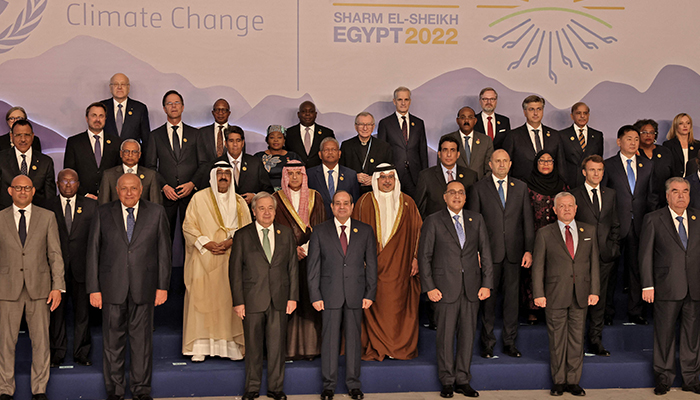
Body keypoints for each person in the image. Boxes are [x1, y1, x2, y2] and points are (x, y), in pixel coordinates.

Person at [86, 173, 172, 400]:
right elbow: (93, 252)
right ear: (117, 190)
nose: (129, 193)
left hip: (144, 288)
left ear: (141, 189)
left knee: (142, 343)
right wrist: (93, 288)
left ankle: (141, 390)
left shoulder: (156, 212)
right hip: (111, 288)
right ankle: (115, 391)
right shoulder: (103, 212)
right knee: (112, 343)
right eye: (124, 188)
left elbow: (164, 252)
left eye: (134, 188)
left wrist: (162, 286)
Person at [418, 180, 493, 399]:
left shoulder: (476, 219)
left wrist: (487, 283)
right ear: (445, 196)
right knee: (445, 337)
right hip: (444, 289)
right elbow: (424, 258)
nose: (457, 196)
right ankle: (447, 381)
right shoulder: (433, 221)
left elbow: (486, 254)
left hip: (471, 288)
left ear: (465, 197)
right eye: (452, 192)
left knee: (468, 336)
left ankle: (463, 379)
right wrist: (429, 287)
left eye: (461, 192)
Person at [307, 190, 378, 400]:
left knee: (354, 340)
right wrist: (315, 295)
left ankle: (353, 384)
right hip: (329, 295)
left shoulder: (365, 231)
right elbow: (313, 268)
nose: (342, 207)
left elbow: (372, 266)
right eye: (337, 203)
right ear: (331, 207)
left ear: (352, 206)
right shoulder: (320, 231)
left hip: (357, 294)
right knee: (329, 341)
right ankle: (329, 385)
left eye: (346, 203)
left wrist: (370, 292)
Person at [0, 174, 64, 400]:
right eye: (18, 188)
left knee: (41, 341)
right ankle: (5, 389)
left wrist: (58, 286)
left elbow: (55, 254)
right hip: (6, 290)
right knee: (5, 343)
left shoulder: (47, 217)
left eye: (27, 188)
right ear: (10, 191)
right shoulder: (0, 218)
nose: (23, 192)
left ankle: (39, 389)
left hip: (40, 288)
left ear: (33, 191)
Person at [230, 192, 298, 400]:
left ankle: (275, 388)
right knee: (253, 346)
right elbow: (235, 271)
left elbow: (293, 268)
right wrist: (238, 301)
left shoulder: (286, 234)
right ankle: (252, 388)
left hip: (279, 298)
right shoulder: (242, 235)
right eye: (262, 208)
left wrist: (293, 297)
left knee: (277, 347)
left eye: (270, 208)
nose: (266, 212)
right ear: (253, 211)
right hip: (252, 300)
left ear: (275, 211)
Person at [182, 161, 251, 362]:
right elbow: (188, 226)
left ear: (231, 177)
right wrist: (207, 243)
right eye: (219, 173)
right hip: (204, 258)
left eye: (226, 174)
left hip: (231, 259)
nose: (223, 177)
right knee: (201, 300)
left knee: (228, 301)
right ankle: (200, 346)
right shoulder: (198, 198)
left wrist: (230, 242)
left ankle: (230, 347)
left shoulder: (239, 202)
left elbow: (247, 230)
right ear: (213, 176)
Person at [468, 149, 534, 359]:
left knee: (512, 302)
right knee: (488, 302)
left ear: (511, 163)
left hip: (515, 254)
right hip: (489, 255)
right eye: (498, 161)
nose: (502, 164)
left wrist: (528, 249)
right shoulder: (478, 188)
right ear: (490, 164)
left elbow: (527, 221)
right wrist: (476, 252)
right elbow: (475, 224)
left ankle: (509, 343)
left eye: (505, 161)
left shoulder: (521, 187)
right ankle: (487, 344)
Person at [532, 192, 600, 397]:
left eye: (570, 205)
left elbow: (594, 264)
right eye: (562, 206)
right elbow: (538, 267)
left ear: (576, 208)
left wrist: (594, 290)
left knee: (577, 339)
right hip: (554, 294)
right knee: (557, 339)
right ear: (555, 210)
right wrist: (538, 293)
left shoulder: (589, 230)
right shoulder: (545, 233)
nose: (567, 209)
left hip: (581, 293)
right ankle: (559, 381)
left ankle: (573, 381)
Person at [352, 164, 422, 361]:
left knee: (397, 309)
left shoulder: (407, 202)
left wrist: (416, 258)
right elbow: (354, 235)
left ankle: (396, 347)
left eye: (391, 176)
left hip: (401, 269)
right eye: (382, 177)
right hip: (372, 269)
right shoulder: (364, 202)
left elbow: (418, 232)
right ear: (375, 179)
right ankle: (376, 346)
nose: (387, 181)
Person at [640, 177, 700, 395]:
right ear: (667, 195)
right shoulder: (654, 219)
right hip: (666, 286)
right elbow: (645, 255)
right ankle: (663, 378)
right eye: (675, 191)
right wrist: (647, 285)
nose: (681, 195)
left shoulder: (698, 217)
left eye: (685, 191)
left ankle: (691, 379)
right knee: (664, 335)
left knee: (692, 336)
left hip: (694, 287)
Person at [602, 125, 657, 326]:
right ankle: (606, 312)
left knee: (637, 269)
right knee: (610, 272)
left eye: (636, 139)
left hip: (640, 225)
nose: (634, 143)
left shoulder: (647, 165)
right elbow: (605, 197)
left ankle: (636, 311)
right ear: (619, 142)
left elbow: (651, 196)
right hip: (615, 226)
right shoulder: (608, 165)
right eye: (629, 139)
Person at [272, 161, 326, 360]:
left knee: (308, 303)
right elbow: (273, 230)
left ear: (304, 175)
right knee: (287, 302)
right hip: (284, 261)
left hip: (311, 259)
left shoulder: (315, 197)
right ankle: (286, 350)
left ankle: (311, 349)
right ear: (285, 176)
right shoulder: (275, 199)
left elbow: (321, 228)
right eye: (291, 174)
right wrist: (291, 250)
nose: (295, 178)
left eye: (298, 173)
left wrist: (304, 249)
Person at [570, 155, 620, 354]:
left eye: (599, 170)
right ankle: (577, 342)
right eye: (592, 170)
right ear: (584, 172)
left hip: (605, 257)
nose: (596, 173)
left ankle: (595, 340)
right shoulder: (574, 195)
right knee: (580, 301)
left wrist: (613, 248)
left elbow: (615, 223)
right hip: (581, 259)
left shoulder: (610, 194)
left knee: (599, 301)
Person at [48, 169, 98, 368]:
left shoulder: (92, 206)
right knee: (56, 314)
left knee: (82, 314)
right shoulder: (46, 205)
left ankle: (81, 353)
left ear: (78, 184)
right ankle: (57, 354)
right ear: (57, 184)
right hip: (55, 271)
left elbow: (97, 239)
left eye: (72, 182)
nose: (68, 185)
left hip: (82, 268)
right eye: (64, 182)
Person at [144, 90, 201, 240]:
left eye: (177, 103)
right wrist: (164, 186)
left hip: (190, 197)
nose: (173, 106)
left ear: (183, 107)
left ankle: (189, 265)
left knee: (191, 239)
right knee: (164, 238)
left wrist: (192, 184)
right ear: (164, 109)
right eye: (169, 103)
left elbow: (204, 163)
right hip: (166, 197)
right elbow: (150, 166)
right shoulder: (155, 136)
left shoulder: (195, 134)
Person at [523, 151, 568, 324]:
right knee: (533, 271)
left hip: (556, 236)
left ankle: (552, 306)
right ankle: (532, 309)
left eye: (549, 160)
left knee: (553, 270)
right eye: (542, 161)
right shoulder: (527, 185)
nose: (546, 164)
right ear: (536, 163)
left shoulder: (562, 185)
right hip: (534, 234)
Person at [377, 86, 428, 198]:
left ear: (410, 101)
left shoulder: (419, 123)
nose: (403, 103)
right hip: (392, 176)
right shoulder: (385, 123)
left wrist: (425, 175)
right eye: (400, 99)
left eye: (406, 99)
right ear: (394, 101)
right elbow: (381, 152)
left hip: (415, 175)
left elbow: (423, 151)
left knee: (414, 208)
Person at [64, 102, 122, 199]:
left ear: (105, 119)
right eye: (94, 115)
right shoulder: (74, 142)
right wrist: (84, 194)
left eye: (101, 116)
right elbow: (69, 171)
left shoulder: (116, 142)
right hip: (83, 198)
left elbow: (119, 171)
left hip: (110, 199)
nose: (97, 119)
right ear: (87, 118)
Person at [503, 95, 565, 182]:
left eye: (539, 109)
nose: (535, 113)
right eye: (531, 109)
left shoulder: (555, 135)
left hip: (549, 189)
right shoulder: (513, 136)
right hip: (523, 188)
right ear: (525, 112)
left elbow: (561, 165)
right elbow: (507, 166)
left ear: (543, 111)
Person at [415, 136, 477, 219]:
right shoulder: (426, 176)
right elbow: (419, 209)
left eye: (452, 150)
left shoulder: (470, 176)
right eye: (445, 150)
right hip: (435, 228)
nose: (449, 154)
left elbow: (474, 207)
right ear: (439, 154)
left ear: (458, 154)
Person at [0, 119, 55, 209]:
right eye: (18, 135)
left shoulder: (45, 162)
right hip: (5, 216)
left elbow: (49, 198)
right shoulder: (1, 159)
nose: (23, 139)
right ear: (11, 136)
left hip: (37, 217)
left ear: (32, 136)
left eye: (27, 135)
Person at [210, 126, 273, 202]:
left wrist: (255, 197)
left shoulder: (255, 163)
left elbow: (268, 190)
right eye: (231, 141)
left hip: (250, 211)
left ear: (243, 143)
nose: (235, 144)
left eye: (238, 140)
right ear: (225, 144)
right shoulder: (216, 164)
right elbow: (208, 192)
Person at [339, 112, 393, 195]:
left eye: (368, 124)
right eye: (361, 124)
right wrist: (354, 176)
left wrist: (375, 179)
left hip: (376, 192)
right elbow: (341, 170)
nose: (365, 128)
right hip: (352, 191)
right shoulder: (346, 145)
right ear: (356, 127)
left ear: (373, 127)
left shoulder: (384, 146)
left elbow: (389, 171)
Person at [307, 137, 360, 220]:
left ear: (339, 154)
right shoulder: (310, 174)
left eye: (334, 150)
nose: (330, 152)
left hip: (343, 222)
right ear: (320, 154)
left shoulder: (351, 175)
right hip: (318, 222)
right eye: (326, 150)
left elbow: (355, 202)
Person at [98, 139, 162, 205]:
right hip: (115, 214)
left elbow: (156, 204)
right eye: (126, 151)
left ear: (139, 154)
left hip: (144, 214)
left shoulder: (150, 175)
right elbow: (103, 205)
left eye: (134, 151)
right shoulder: (109, 175)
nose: (130, 155)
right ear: (121, 154)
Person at [439, 106, 494, 180]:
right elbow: (441, 167)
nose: (466, 120)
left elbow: (490, 168)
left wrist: (480, 186)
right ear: (457, 121)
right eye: (463, 117)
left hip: (479, 186)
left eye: (470, 117)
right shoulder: (447, 140)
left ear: (475, 121)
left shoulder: (486, 140)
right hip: (455, 188)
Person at [560, 102, 604, 189]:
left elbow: (598, 159)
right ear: (572, 116)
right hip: (570, 182)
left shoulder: (597, 135)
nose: (582, 116)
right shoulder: (562, 135)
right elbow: (560, 162)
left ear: (588, 115)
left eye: (585, 113)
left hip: (590, 182)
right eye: (578, 113)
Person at [193, 99, 235, 189]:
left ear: (229, 113)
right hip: (205, 182)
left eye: (224, 110)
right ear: (213, 112)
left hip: (229, 181)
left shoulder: (236, 133)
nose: (220, 113)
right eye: (217, 110)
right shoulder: (202, 133)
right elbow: (199, 160)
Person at [101, 73, 151, 146]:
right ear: (110, 88)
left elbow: (146, 139)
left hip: (131, 156)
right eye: (115, 84)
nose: (119, 87)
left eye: (123, 84)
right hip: (106, 156)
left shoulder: (140, 108)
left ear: (128, 87)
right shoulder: (101, 107)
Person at [635, 119, 674, 207]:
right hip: (641, 202)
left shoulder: (665, 152)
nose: (648, 135)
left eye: (652, 132)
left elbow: (673, 175)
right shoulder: (634, 153)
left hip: (664, 200)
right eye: (644, 132)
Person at [285, 101, 335, 169]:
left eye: (311, 111)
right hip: (295, 174)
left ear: (315, 114)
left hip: (319, 174)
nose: (307, 114)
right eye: (304, 111)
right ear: (298, 114)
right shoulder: (289, 133)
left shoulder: (327, 133)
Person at [254, 125, 301, 190]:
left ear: (284, 140)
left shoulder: (293, 156)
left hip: (289, 192)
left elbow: (301, 176)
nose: (276, 140)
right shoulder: (259, 157)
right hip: (264, 193)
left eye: (279, 137)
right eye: (272, 137)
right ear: (267, 140)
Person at [663, 113, 699, 178]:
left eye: (688, 123)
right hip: (676, 181)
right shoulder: (669, 145)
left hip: (694, 182)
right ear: (676, 126)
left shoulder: (697, 145)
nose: (685, 126)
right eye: (681, 123)